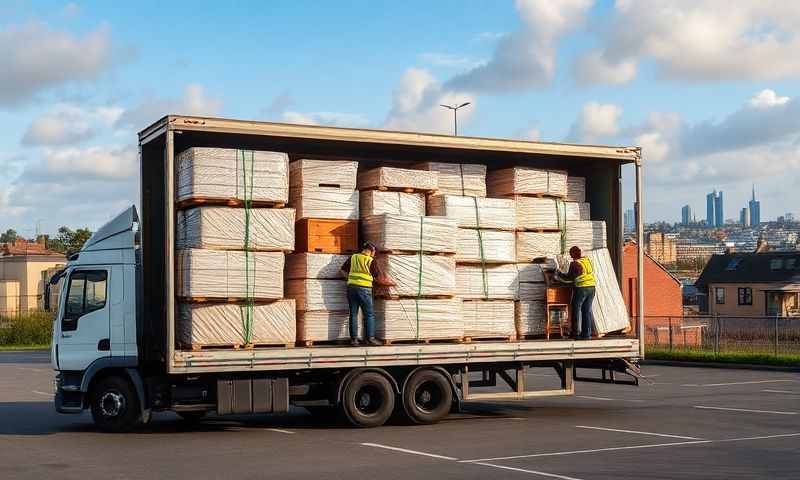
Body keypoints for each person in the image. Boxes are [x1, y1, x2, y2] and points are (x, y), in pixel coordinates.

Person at [340, 242, 393, 346]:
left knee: (353, 314)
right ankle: (370, 338)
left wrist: (350, 279)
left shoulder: (353, 257)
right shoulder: (370, 261)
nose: (374, 254)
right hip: (364, 290)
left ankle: (354, 340)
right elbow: (377, 278)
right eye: (374, 252)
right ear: (371, 251)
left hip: (351, 288)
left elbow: (342, 270)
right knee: (368, 314)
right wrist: (389, 284)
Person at [561, 246, 596, 340]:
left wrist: (559, 274)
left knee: (576, 310)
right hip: (592, 287)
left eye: (571, 254)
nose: (570, 256)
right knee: (586, 311)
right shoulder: (587, 260)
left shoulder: (575, 264)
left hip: (582, 288)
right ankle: (586, 335)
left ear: (573, 254)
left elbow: (570, 277)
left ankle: (575, 333)